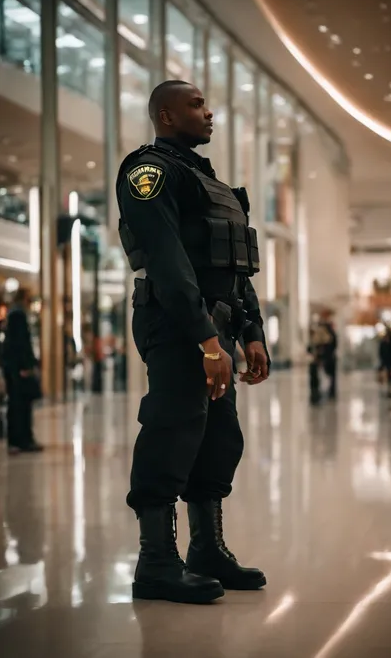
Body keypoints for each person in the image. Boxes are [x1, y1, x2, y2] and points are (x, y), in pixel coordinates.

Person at [116, 80, 270, 605]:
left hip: (218, 325)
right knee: (173, 429)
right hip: (178, 323)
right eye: (197, 104)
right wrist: (206, 337)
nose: (209, 112)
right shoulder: (149, 170)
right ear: (165, 115)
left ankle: (208, 550)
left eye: (206, 103)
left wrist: (251, 332)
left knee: (218, 438)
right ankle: (156, 562)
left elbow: (234, 266)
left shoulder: (209, 181)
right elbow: (165, 259)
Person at [1, 288, 43, 454]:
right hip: (18, 370)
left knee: (17, 404)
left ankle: (19, 440)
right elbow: (20, 344)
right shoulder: (18, 315)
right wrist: (25, 366)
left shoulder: (13, 314)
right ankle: (22, 440)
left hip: (13, 368)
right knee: (20, 406)